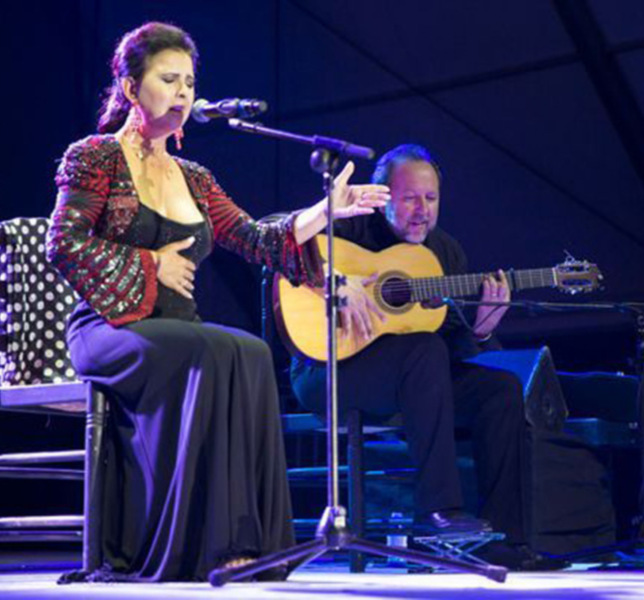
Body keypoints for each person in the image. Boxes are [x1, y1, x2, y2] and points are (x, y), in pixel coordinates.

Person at [46, 21, 388, 582]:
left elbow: (254, 239)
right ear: (132, 88)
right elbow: (64, 243)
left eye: (188, 82)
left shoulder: (195, 177)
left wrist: (323, 210)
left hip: (177, 329)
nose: (182, 93)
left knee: (249, 351)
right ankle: (201, 547)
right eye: (168, 79)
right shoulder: (96, 157)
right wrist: (151, 263)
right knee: (212, 352)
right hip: (108, 327)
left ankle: (247, 546)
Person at [291, 144, 546, 570]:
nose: (421, 210)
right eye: (409, 198)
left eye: (430, 199)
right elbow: (272, 239)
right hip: (327, 369)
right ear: (383, 195)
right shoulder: (351, 225)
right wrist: (334, 279)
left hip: (411, 379)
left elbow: (453, 347)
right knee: (423, 352)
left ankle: (507, 542)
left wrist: (481, 328)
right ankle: (438, 513)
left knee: (500, 389)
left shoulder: (444, 254)